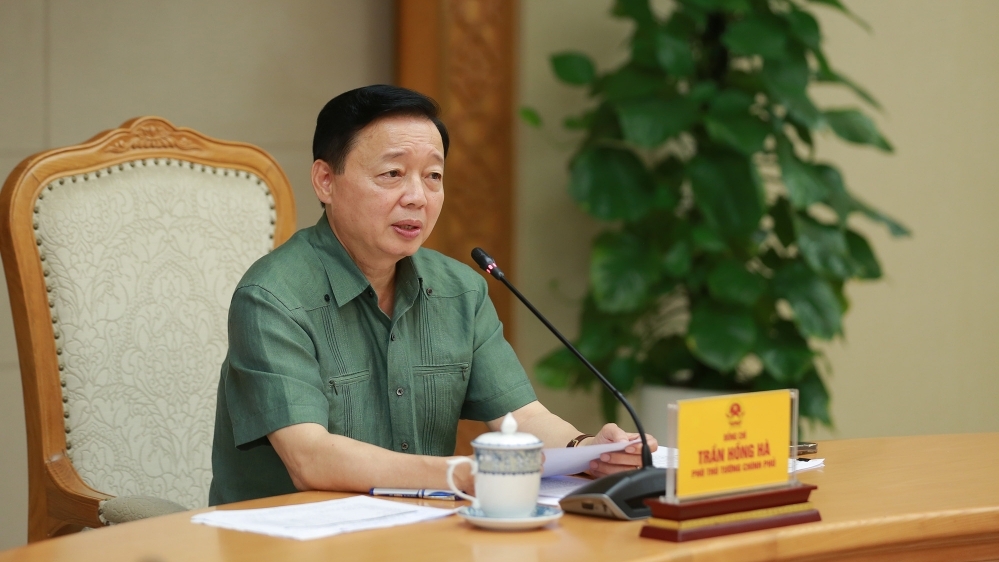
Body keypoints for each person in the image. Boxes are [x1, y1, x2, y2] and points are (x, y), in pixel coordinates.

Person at [208, 85, 657, 506]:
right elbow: (311, 458)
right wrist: (459, 474)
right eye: (392, 174)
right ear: (326, 181)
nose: (417, 197)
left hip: (420, 531)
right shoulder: (272, 298)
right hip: (289, 539)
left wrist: (588, 450)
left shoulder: (460, 290)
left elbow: (523, 418)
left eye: (433, 176)